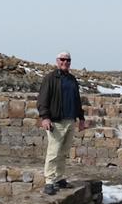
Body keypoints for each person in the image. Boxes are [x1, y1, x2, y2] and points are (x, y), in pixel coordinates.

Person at [37, 51, 86, 195]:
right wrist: (45, 117)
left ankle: (58, 178)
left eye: (68, 60)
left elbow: (77, 100)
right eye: (62, 60)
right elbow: (42, 100)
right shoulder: (50, 78)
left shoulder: (72, 79)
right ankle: (49, 181)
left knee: (64, 152)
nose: (65, 62)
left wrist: (81, 118)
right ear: (57, 61)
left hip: (70, 120)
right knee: (53, 152)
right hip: (56, 122)